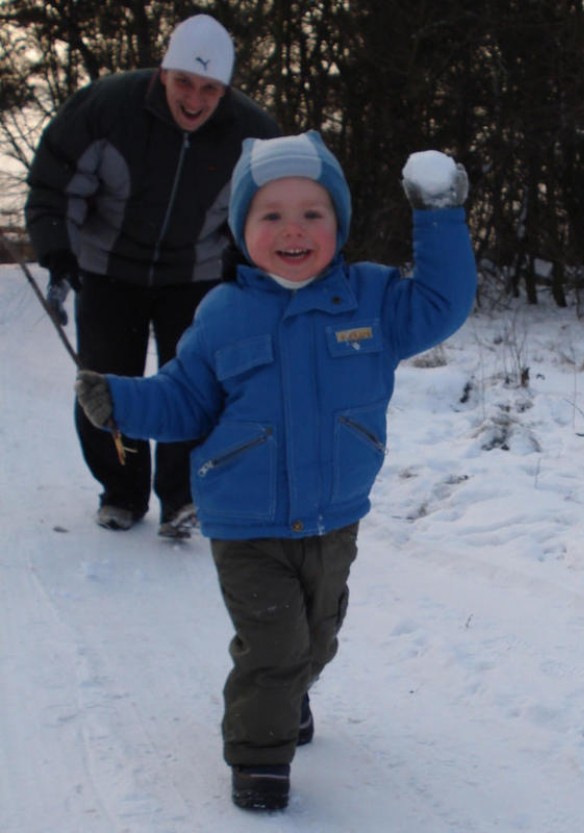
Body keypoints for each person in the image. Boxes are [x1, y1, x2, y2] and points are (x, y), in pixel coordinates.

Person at [74, 131, 477, 810]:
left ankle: (289, 695)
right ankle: (258, 756)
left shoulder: (374, 301)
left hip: (334, 512)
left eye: (312, 213)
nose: (293, 229)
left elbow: (444, 304)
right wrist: (121, 399)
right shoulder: (223, 314)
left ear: (339, 223)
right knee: (276, 640)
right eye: (272, 215)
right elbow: (183, 397)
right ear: (243, 228)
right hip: (246, 520)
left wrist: (437, 213)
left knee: (318, 635)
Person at [25, 14, 280, 537]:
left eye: (209, 88)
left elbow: (270, 210)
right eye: (184, 81)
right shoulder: (105, 108)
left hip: (195, 272)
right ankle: (121, 493)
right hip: (106, 266)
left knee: (192, 384)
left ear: (225, 89)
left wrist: (253, 273)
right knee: (104, 382)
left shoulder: (253, 135)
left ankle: (182, 497)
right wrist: (58, 257)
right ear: (163, 71)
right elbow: (55, 182)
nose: (193, 98)